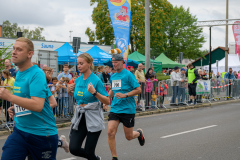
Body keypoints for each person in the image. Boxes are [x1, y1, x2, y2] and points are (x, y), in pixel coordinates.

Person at [1, 37, 58, 159]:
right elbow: (26, 100)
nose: (14, 52)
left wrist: (10, 96)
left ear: (29, 54)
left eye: (19, 49)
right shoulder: (19, 73)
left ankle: (58, 142)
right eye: (14, 49)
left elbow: (37, 105)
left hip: (41, 134)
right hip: (20, 131)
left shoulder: (37, 74)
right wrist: (15, 108)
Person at [67, 53, 110, 160]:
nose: (79, 66)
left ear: (89, 64)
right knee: (73, 148)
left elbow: (107, 100)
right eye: (78, 64)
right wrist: (69, 92)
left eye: (81, 63)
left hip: (93, 117)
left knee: (89, 151)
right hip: (81, 116)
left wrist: (95, 93)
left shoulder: (96, 80)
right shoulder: (77, 80)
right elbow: (80, 98)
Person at [107, 52, 145, 160]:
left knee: (128, 137)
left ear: (122, 62)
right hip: (115, 108)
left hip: (127, 109)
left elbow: (138, 89)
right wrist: (105, 100)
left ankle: (139, 133)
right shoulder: (113, 76)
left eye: (116, 62)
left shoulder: (128, 75)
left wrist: (125, 95)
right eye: (113, 62)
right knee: (110, 132)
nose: (114, 64)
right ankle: (114, 157)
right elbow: (112, 91)